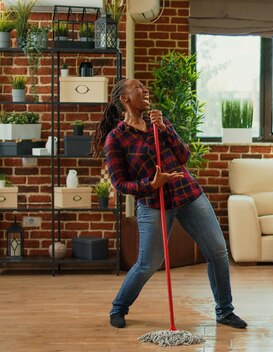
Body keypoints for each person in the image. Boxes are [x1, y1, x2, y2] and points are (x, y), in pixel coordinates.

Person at [92, 79, 247, 330]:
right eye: (138, 87)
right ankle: (118, 308)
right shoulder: (116, 139)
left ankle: (225, 311)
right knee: (148, 263)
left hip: (189, 194)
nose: (145, 90)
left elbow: (184, 157)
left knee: (218, 251)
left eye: (145, 87)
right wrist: (151, 184)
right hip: (153, 202)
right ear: (124, 99)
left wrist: (165, 128)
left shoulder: (159, 124)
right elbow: (120, 184)